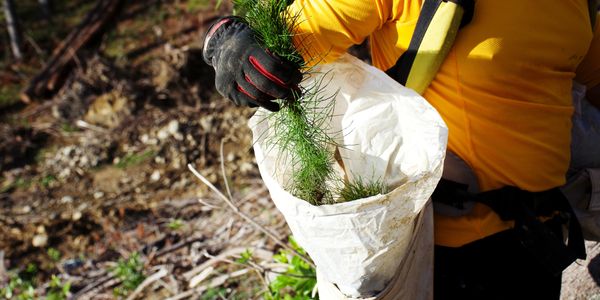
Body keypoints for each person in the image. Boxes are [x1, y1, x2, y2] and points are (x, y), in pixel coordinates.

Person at [202, 0, 600, 299]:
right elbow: (278, 42)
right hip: (442, 253)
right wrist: (228, 42)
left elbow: (592, 84)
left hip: (540, 241)